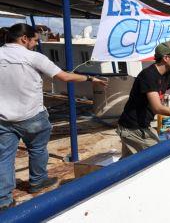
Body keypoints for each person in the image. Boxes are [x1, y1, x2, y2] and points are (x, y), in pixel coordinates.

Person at [0, 23, 108, 211]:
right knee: (38, 149)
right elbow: (65, 77)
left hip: (3, 118)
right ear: (24, 39)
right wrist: (91, 79)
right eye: (34, 40)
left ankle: (3, 199)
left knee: (4, 157)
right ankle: (38, 182)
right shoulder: (33, 57)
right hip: (31, 115)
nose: (35, 44)